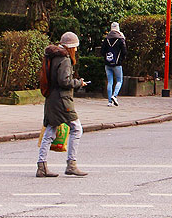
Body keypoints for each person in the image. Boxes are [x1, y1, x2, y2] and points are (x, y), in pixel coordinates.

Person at [37, 31, 89, 178]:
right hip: (62, 100)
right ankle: (71, 164)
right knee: (76, 129)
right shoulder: (64, 59)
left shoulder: (52, 56)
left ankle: (41, 166)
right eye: (75, 47)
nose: (76, 50)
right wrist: (79, 83)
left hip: (51, 98)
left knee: (49, 131)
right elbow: (64, 81)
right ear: (71, 47)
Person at [101, 21, 127, 107]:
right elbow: (124, 51)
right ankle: (114, 95)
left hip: (107, 63)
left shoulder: (107, 39)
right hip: (117, 64)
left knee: (110, 82)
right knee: (119, 80)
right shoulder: (120, 39)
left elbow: (102, 51)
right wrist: (121, 59)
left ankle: (109, 101)